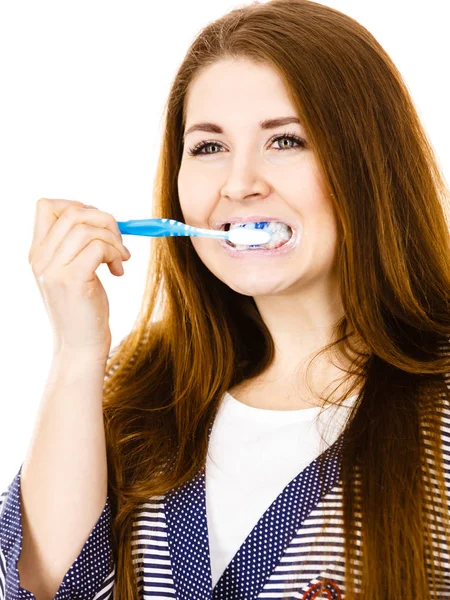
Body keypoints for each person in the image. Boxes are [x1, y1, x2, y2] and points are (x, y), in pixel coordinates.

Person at [1, 0, 450, 598]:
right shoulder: (135, 394)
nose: (239, 185)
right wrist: (79, 351)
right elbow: (48, 590)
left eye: (287, 140)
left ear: (370, 164)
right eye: (209, 148)